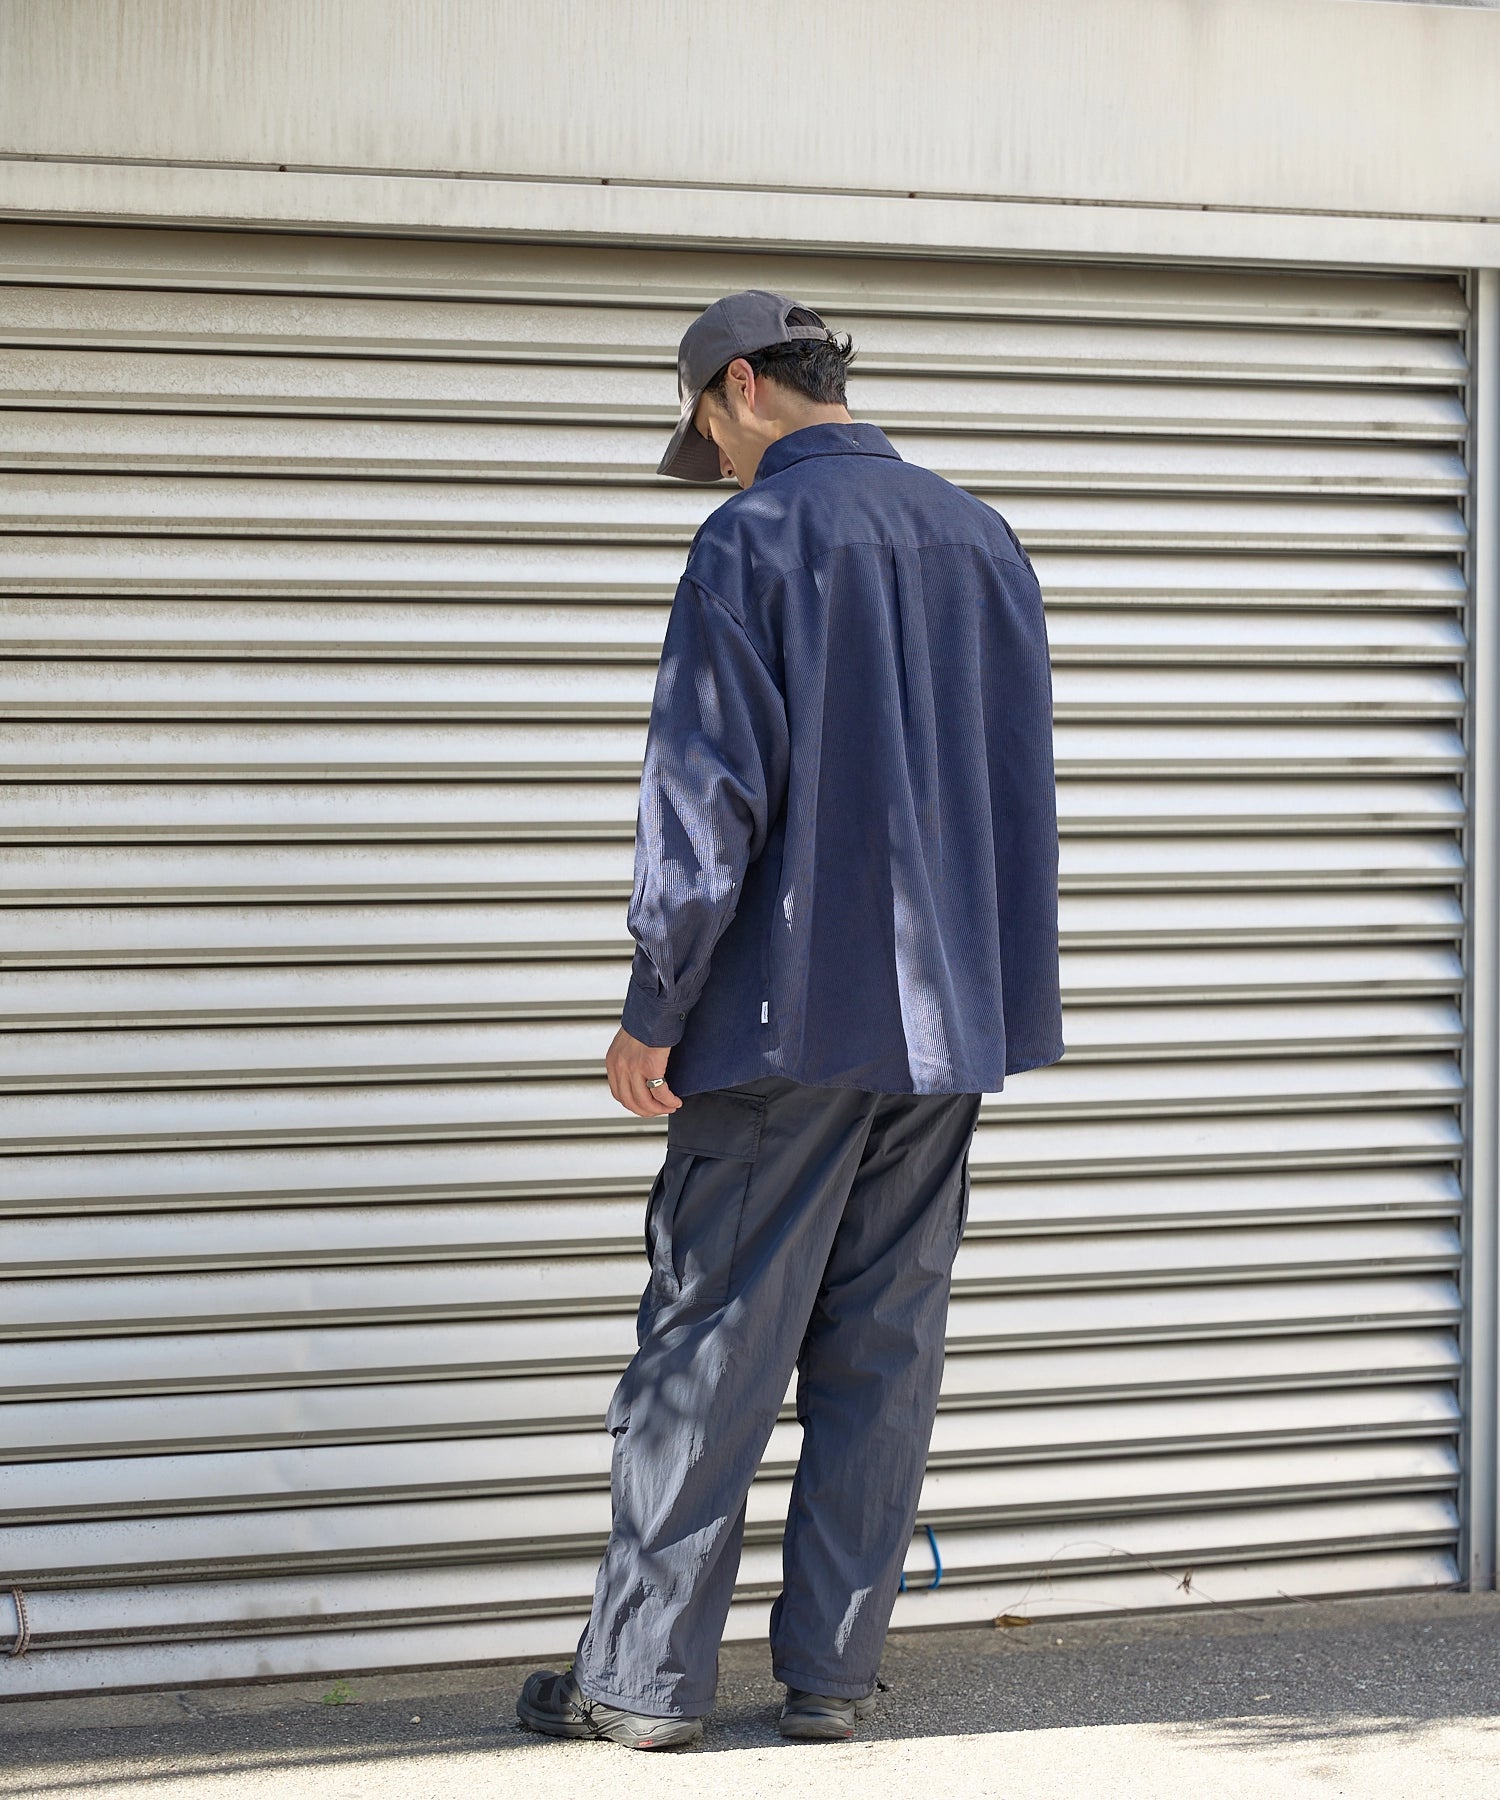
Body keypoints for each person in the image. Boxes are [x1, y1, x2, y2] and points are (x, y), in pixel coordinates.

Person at [516, 290, 1063, 1750]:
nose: (718, 456)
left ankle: (638, 1686)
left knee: (706, 1349)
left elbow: (705, 800)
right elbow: (1015, 793)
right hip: (942, 1032)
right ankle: (831, 1678)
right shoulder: (983, 539)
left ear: (741, 386)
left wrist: (654, 1007)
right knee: (884, 1353)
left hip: (775, 1028)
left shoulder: (751, 541)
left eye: (709, 426)